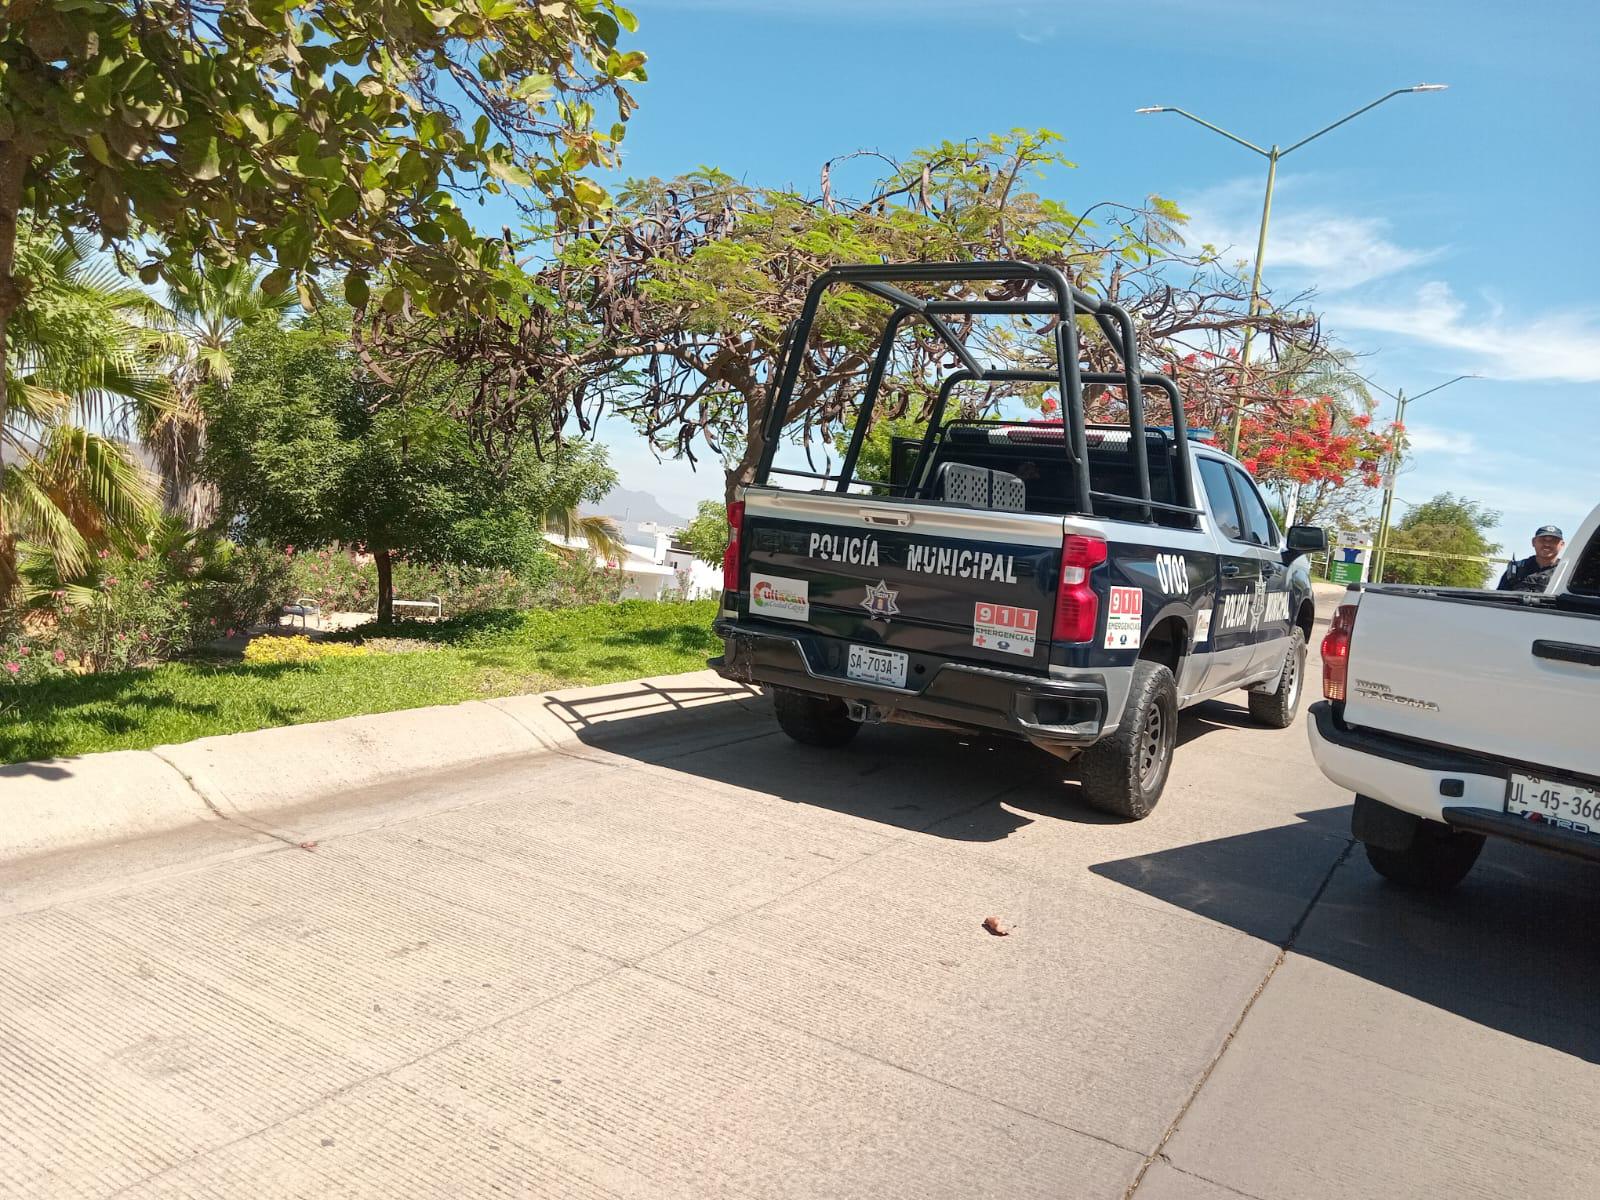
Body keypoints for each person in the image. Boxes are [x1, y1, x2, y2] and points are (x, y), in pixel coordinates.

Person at [1497, 524, 1565, 593]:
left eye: (1553, 541)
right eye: (1542, 540)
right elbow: (1499, 597)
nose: (1547, 544)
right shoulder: (1516, 569)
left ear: (1562, 544)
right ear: (1533, 542)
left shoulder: (1566, 572)